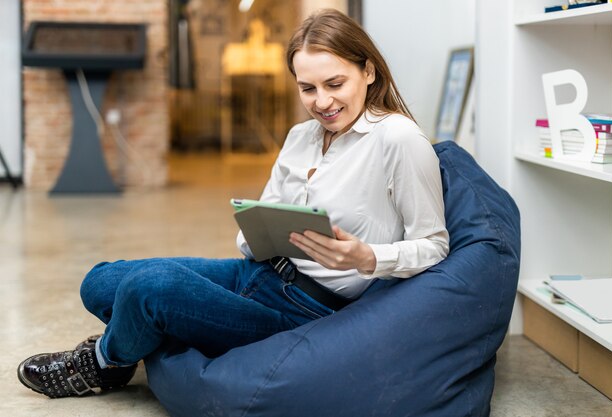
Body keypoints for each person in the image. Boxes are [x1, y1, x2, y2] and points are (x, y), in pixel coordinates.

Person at [17, 8, 449, 399]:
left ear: (368, 72)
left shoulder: (399, 140)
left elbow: (434, 244)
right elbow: (268, 215)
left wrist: (366, 256)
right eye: (307, 88)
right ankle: (142, 333)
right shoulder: (301, 137)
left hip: (307, 309)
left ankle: (104, 363)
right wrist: (255, 230)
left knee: (151, 287)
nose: (322, 102)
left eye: (335, 84)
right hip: (258, 273)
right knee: (99, 280)